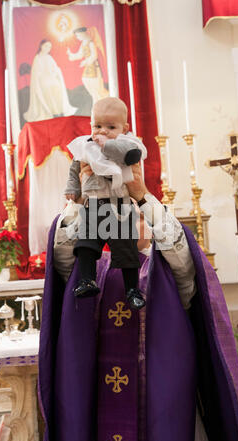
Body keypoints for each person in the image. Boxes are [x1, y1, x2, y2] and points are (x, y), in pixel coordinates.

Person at [38, 163, 238, 441]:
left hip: (158, 401)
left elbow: (182, 251)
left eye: (135, 217)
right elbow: (61, 253)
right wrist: (79, 201)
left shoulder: (165, 271)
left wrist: (143, 196)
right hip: (100, 399)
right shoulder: (91, 272)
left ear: (153, 228)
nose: (124, 223)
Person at [64, 97, 147, 309]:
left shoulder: (128, 144)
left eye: (111, 127)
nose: (102, 131)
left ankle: (132, 289)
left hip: (121, 206)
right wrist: (72, 189)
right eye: (97, 126)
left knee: (126, 248)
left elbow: (130, 157)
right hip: (93, 203)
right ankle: (87, 279)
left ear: (125, 128)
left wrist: (107, 144)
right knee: (86, 243)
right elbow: (74, 169)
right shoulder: (85, 145)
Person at [24, 39, 77, 122]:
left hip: (51, 78)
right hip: (42, 81)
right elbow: (37, 73)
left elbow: (55, 69)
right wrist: (45, 75)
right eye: (46, 46)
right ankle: (51, 111)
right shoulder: (37, 58)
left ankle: (58, 110)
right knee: (48, 87)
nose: (48, 48)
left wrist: (55, 72)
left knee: (56, 86)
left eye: (49, 47)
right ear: (41, 46)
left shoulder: (49, 57)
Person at [67, 26, 109, 105]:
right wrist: (70, 55)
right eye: (76, 36)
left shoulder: (91, 42)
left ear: (83, 33)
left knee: (93, 84)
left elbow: (94, 55)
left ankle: (102, 99)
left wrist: (85, 62)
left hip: (94, 67)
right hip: (89, 66)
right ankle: (97, 101)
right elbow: (80, 55)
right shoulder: (84, 43)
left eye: (78, 35)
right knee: (86, 80)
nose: (77, 37)